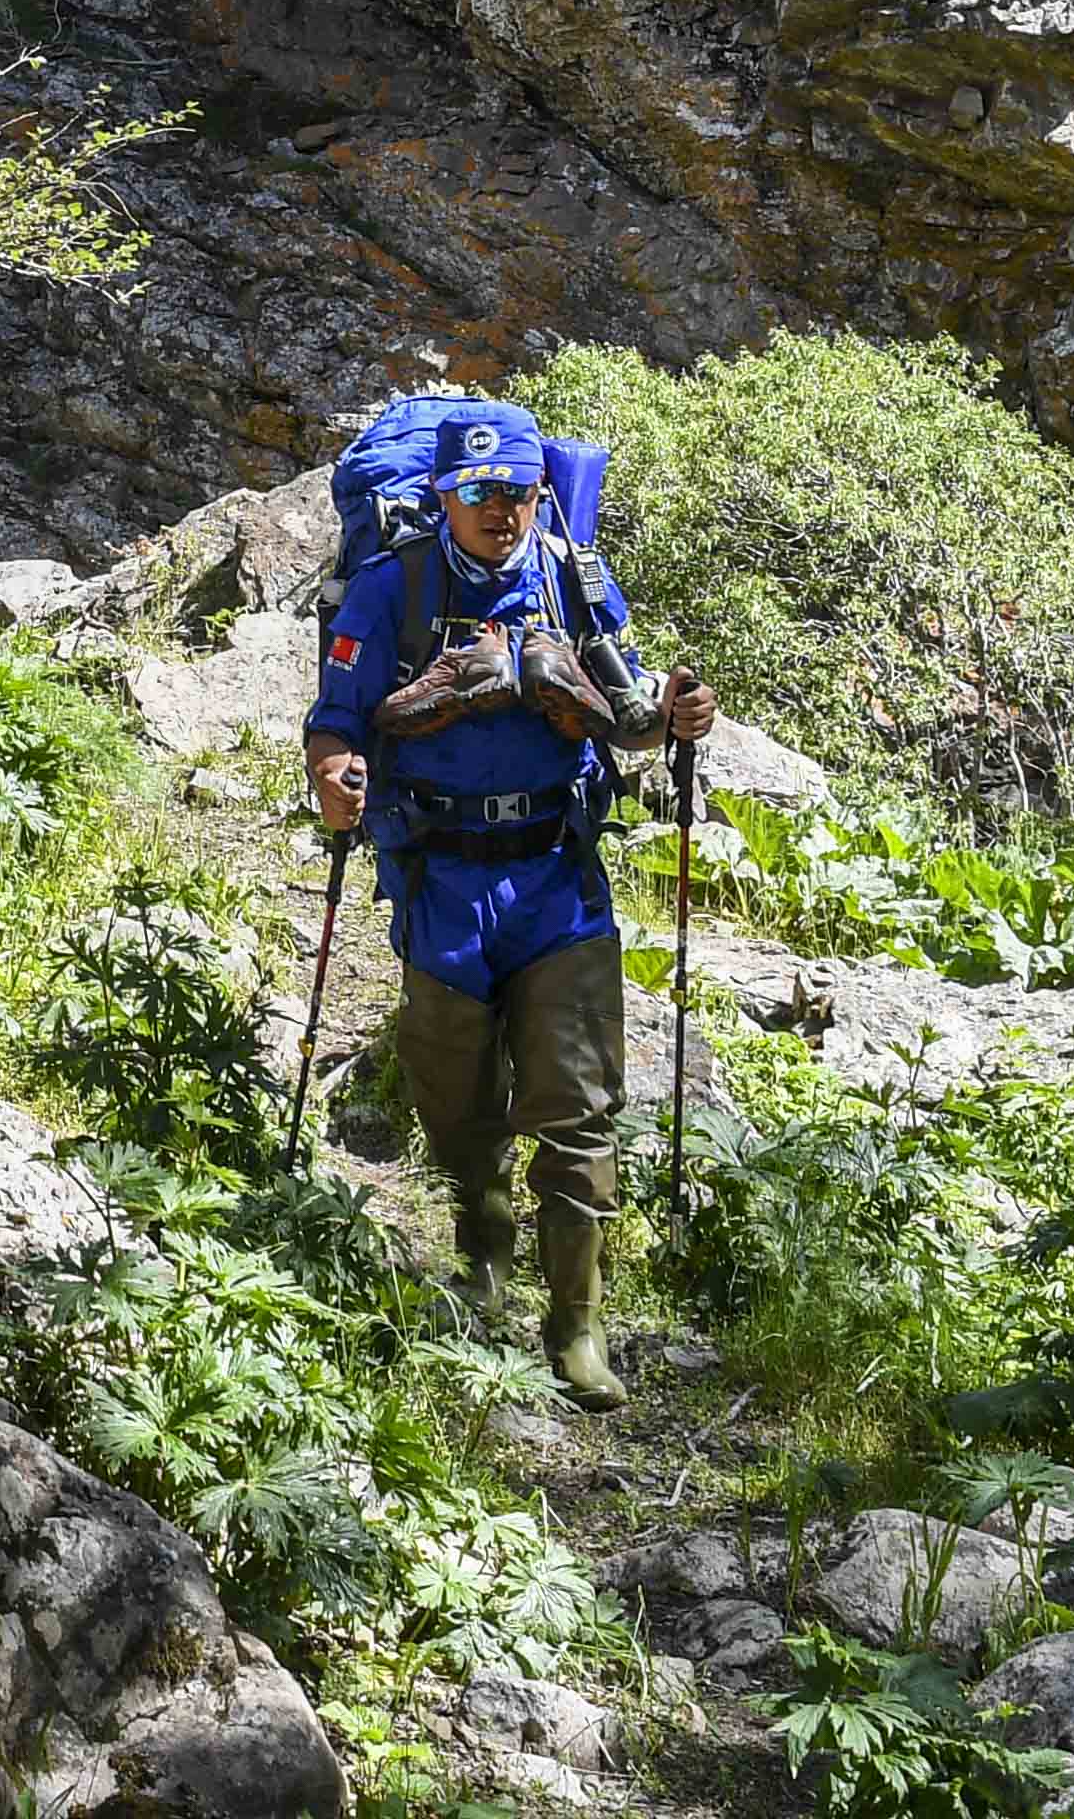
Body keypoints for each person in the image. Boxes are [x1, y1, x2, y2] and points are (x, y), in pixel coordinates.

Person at [303, 405, 718, 1405]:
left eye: (519, 491)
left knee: (579, 1108)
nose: (501, 511)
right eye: (480, 493)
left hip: (555, 874)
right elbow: (334, 722)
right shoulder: (387, 589)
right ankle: (482, 1261)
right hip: (441, 875)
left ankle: (577, 1326)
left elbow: (632, 707)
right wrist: (337, 778)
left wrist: (682, 714)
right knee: (457, 1099)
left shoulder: (574, 580)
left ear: (542, 492)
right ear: (444, 495)